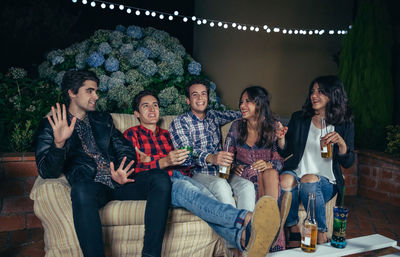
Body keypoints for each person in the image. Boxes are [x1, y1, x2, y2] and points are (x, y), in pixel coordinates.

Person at [123, 90, 282, 257]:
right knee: (203, 196)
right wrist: (160, 161)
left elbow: (185, 157)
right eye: (145, 106)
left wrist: (266, 118)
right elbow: (133, 171)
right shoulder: (132, 135)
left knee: (211, 201)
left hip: (183, 175)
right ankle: (249, 222)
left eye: (155, 105)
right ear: (136, 113)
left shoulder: (167, 135)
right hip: (165, 183)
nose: (152, 109)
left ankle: (243, 239)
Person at [35, 70, 172, 257]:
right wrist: (59, 144)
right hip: (92, 186)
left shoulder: (103, 119)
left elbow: (125, 149)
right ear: (72, 93)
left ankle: (150, 254)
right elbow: (46, 171)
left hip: (118, 182)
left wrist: (123, 169)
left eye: (96, 91)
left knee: (161, 177)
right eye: (90, 91)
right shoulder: (51, 125)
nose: (96, 96)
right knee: (81, 189)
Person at [276, 75, 354, 247]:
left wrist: (341, 143)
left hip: (325, 181)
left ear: (333, 95)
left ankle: (321, 232)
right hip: (297, 172)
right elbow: (285, 150)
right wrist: (281, 138)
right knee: (285, 179)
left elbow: (348, 162)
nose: (314, 95)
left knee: (309, 180)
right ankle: (293, 227)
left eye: (321, 92)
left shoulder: (344, 123)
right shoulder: (300, 118)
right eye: (313, 91)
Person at [168, 79, 256, 215]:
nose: (200, 98)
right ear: (188, 100)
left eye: (203, 94)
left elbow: (239, 114)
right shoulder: (180, 122)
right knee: (221, 185)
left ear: (208, 97)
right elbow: (187, 152)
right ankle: (237, 229)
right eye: (195, 95)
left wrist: (260, 115)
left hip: (223, 172)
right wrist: (211, 158)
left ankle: (249, 230)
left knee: (247, 186)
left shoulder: (213, 116)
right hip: (198, 173)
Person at [225, 86, 289, 252]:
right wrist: (233, 167)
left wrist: (269, 164)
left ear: (259, 104)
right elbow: (226, 156)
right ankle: (273, 238)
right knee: (260, 174)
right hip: (242, 176)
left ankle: (268, 232)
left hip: (267, 176)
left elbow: (279, 161)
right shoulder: (236, 126)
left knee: (270, 172)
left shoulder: (273, 127)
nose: (242, 106)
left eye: (248, 101)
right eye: (241, 102)